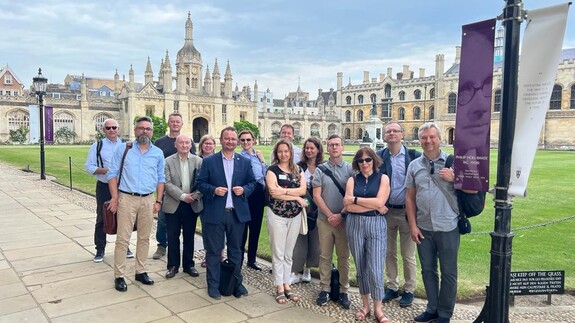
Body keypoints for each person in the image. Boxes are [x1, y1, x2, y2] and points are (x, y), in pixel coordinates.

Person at [405, 122, 459, 323]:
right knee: (427, 270)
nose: (428, 141)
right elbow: (409, 198)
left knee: (448, 272)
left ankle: (445, 314)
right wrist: (412, 225)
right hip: (423, 226)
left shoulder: (454, 163)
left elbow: (473, 189)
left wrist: (455, 179)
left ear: (439, 139)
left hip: (448, 225)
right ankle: (432, 308)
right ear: (420, 141)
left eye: (431, 137)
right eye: (424, 138)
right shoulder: (414, 165)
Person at [196, 126, 256, 300]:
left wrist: (244, 189)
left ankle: (236, 283)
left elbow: (253, 183)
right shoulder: (209, 161)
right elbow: (199, 183)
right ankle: (213, 285)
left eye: (233, 139)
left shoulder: (244, 162)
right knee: (214, 252)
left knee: (236, 251)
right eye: (227, 138)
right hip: (216, 213)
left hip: (237, 214)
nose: (230, 141)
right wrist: (214, 190)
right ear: (220, 140)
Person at [107, 116, 165, 292]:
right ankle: (119, 275)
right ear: (135, 130)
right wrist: (115, 198)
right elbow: (112, 174)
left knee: (144, 238)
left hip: (148, 199)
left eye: (147, 129)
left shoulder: (157, 153)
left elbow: (161, 178)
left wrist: (158, 200)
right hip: (127, 198)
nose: (144, 131)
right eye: (141, 128)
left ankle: (140, 271)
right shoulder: (124, 149)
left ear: (152, 132)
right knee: (123, 239)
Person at [343, 147, 390, 323]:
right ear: (357, 163)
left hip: (376, 224)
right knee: (361, 267)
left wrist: (355, 200)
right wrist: (373, 204)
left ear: (374, 161)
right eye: (361, 161)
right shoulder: (352, 180)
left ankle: (378, 308)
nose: (365, 164)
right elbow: (348, 208)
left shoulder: (383, 178)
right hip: (355, 224)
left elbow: (380, 201)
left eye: (368, 160)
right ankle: (365, 306)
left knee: (376, 268)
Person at [377, 121, 421, 307]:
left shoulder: (413, 156)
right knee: (388, 252)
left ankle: (409, 289)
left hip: (407, 212)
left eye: (395, 131)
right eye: (389, 131)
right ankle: (392, 287)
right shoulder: (378, 157)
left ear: (402, 134)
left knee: (408, 254)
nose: (392, 134)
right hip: (386, 211)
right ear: (384, 136)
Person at [312, 134, 353, 309]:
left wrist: (341, 215)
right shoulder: (320, 169)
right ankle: (325, 288)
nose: (334, 148)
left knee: (344, 257)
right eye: (331, 145)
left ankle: (344, 290)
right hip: (324, 220)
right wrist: (331, 215)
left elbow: (352, 196)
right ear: (327, 148)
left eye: (337, 145)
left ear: (343, 147)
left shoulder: (351, 169)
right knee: (325, 256)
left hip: (344, 220)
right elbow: (316, 196)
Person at [84, 118, 133, 262]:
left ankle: (125, 246)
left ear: (118, 129)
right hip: (104, 186)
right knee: (102, 216)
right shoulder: (97, 146)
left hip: (123, 186)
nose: (112, 130)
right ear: (103, 130)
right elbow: (89, 166)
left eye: (114, 127)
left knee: (124, 218)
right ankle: (100, 249)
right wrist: (108, 171)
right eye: (108, 128)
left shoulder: (127, 146)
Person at [265, 139, 307, 304]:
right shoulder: (272, 170)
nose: (283, 154)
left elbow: (303, 189)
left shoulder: (298, 169)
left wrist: (285, 191)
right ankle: (279, 287)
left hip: (294, 215)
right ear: (277, 153)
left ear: (290, 152)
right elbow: (274, 193)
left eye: (286, 151)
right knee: (278, 252)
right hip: (277, 215)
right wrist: (295, 196)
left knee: (289, 254)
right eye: (280, 151)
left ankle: (287, 284)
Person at [153, 113, 196, 260]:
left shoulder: (188, 140)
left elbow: (194, 165)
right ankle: (161, 246)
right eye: (173, 121)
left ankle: (186, 258)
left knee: (187, 228)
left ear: (182, 124)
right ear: (168, 123)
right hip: (166, 187)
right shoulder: (160, 142)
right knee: (163, 219)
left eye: (178, 121)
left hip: (186, 190)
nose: (175, 124)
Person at [163, 134, 203, 279]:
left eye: (187, 143)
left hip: (191, 203)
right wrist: (182, 196)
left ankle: (188, 265)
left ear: (191, 145)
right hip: (174, 203)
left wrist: (194, 196)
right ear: (176, 145)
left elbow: (203, 182)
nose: (184, 145)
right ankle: (173, 266)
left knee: (189, 236)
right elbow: (167, 183)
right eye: (181, 143)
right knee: (172, 236)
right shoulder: (167, 161)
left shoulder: (199, 161)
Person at [290, 137, 323, 284]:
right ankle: (296, 270)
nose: (309, 151)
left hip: (319, 208)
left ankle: (308, 269)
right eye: (307, 148)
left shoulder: (323, 166)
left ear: (318, 149)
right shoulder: (298, 166)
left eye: (312, 148)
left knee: (315, 242)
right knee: (300, 240)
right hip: (302, 207)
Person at [238, 130, 267, 271]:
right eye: (243, 140)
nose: (246, 143)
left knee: (255, 228)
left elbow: (266, 175)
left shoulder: (258, 156)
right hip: (245, 193)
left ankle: (252, 260)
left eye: (248, 140)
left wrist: (262, 161)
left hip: (259, 193)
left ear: (253, 140)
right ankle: (239, 259)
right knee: (243, 229)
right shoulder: (238, 157)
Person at [197, 133, 216, 268]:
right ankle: (208, 254)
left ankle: (218, 254)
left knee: (218, 229)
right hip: (200, 199)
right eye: (206, 143)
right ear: (201, 146)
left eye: (211, 143)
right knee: (206, 229)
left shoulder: (219, 160)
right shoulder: (196, 160)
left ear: (214, 146)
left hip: (215, 199)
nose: (208, 146)